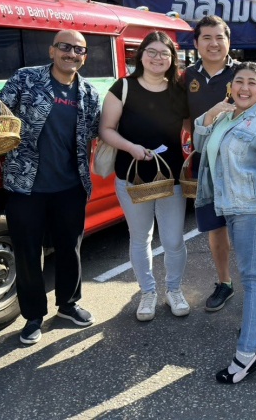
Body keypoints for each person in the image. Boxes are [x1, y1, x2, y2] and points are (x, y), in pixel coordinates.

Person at [0, 30, 100, 346]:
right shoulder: (26, 78)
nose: (72, 53)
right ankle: (33, 316)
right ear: (52, 51)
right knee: (28, 252)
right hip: (25, 185)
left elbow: (98, 131)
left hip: (71, 186)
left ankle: (68, 304)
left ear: (84, 57)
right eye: (65, 47)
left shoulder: (88, 93)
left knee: (70, 249)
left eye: (79, 49)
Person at [193, 62, 256, 384]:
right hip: (231, 204)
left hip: (252, 208)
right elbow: (201, 146)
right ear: (230, 86)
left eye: (252, 82)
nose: (244, 88)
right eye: (239, 81)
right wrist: (210, 115)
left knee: (253, 277)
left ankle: (249, 353)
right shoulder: (227, 115)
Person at [99, 31, 191, 322]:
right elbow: (106, 129)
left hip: (171, 178)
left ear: (172, 59)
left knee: (174, 240)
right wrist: (131, 148)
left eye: (164, 53)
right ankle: (147, 292)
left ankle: (174, 290)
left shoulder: (178, 90)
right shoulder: (123, 87)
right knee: (140, 238)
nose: (157, 58)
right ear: (141, 55)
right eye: (151, 51)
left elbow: (191, 127)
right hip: (132, 177)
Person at [183, 15, 239, 313]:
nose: (214, 43)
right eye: (207, 37)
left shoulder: (243, 73)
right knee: (216, 229)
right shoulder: (185, 77)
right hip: (204, 166)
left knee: (248, 227)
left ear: (228, 41)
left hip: (241, 166)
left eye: (220, 37)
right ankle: (225, 282)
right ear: (196, 43)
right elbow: (183, 120)